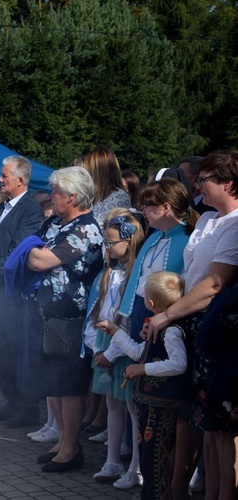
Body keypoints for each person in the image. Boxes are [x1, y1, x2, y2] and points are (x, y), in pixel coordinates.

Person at [145, 150, 238, 500]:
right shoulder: (207, 220)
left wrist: (167, 315)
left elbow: (215, 283)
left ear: (228, 183)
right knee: (206, 423)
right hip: (193, 322)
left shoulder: (236, 222)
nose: (197, 184)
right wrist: (166, 311)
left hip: (219, 328)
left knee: (222, 425)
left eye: (205, 179)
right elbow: (189, 276)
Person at [116, 177, 200, 492]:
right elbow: (138, 277)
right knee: (141, 407)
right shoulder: (155, 237)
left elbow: (176, 289)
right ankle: (143, 471)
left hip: (166, 321)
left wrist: (161, 317)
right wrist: (128, 316)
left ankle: (167, 481)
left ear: (166, 207)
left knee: (162, 413)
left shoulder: (185, 239)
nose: (144, 212)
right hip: (146, 314)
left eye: (149, 207)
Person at [25, 166, 104, 473]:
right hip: (49, 314)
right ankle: (61, 440)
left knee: (69, 385)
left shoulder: (85, 228)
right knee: (53, 384)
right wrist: (33, 254)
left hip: (72, 318)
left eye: (56, 191)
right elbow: (32, 249)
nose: (51, 196)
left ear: (72, 197)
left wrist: (33, 255)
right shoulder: (56, 223)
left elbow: (39, 258)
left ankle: (71, 449)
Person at [105, 271, 190, 499]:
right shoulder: (156, 328)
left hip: (162, 407)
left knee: (156, 458)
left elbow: (179, 364)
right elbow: (139, 352)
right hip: (149, 405)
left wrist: (143, 369)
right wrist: (116, 333)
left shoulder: (171, 331)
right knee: (147, 455)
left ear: (150, 303)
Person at [0, 156, 44, 427]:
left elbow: (19, 248)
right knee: (1, 349)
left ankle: (27, 408)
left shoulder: (30, 210)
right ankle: (11, 401)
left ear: (20, 179)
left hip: (13, 292)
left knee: (17, 349)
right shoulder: (2, 208)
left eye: (4, 176)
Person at [83, 210, 144, 489]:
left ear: (129, 241)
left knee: (132, 406)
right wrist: (98, 344)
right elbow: (102, 308)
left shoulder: (135, 273)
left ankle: (136, 467)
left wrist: (112, 352)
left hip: (123, 343)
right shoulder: (111, 272)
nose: (107, 248)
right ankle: (112, 460)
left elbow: (127, 316)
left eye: (111, 242)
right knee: (112, 404)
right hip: (107, 339)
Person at [79, 146, 131, 226]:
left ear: (97, 172)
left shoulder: (119, 197)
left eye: (87, 169)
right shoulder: (95, 196)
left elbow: (97, 227)